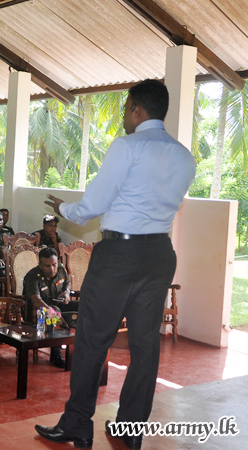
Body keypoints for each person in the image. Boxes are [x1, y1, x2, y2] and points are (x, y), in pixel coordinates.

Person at [35, 79, 196, 449]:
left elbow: (92, 206)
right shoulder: (184, 156)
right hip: (159, 255)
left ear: (137, 109)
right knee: (144, 346)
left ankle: (77, 424)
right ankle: (130, 430)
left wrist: (63, 209)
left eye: (126, 109)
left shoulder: (128, 146)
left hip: (118, 257)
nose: (124, 116)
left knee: (93, 339)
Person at [22, 246, 74, 368]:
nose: (52, 269)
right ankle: (55, 354)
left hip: (58, 304)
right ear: (40, 264)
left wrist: (66, 291)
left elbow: (67, 282)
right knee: (54, 312)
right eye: (47, 266)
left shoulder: (60, 268)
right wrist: (54, 313)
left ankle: (77, 350)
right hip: (38, 310)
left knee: (82, 306)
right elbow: (36, 300)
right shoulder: (32, 276)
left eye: (54, 265)